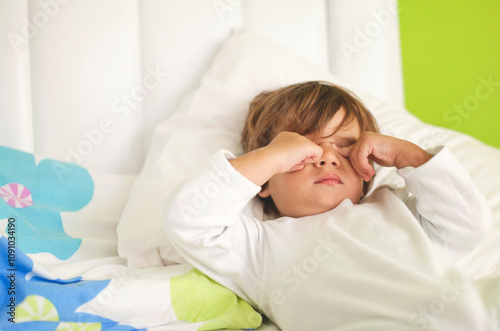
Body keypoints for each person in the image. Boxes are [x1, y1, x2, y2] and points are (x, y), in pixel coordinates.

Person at [163, 81, 493, 330]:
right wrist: (269, 156)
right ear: (264, 181)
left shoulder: (395, 204)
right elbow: (189, 217)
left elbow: (468, 228)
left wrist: (411, 156)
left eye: (346, 146)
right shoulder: (258, 247)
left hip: (470, 311)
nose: (327, 157)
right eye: (302, 147)